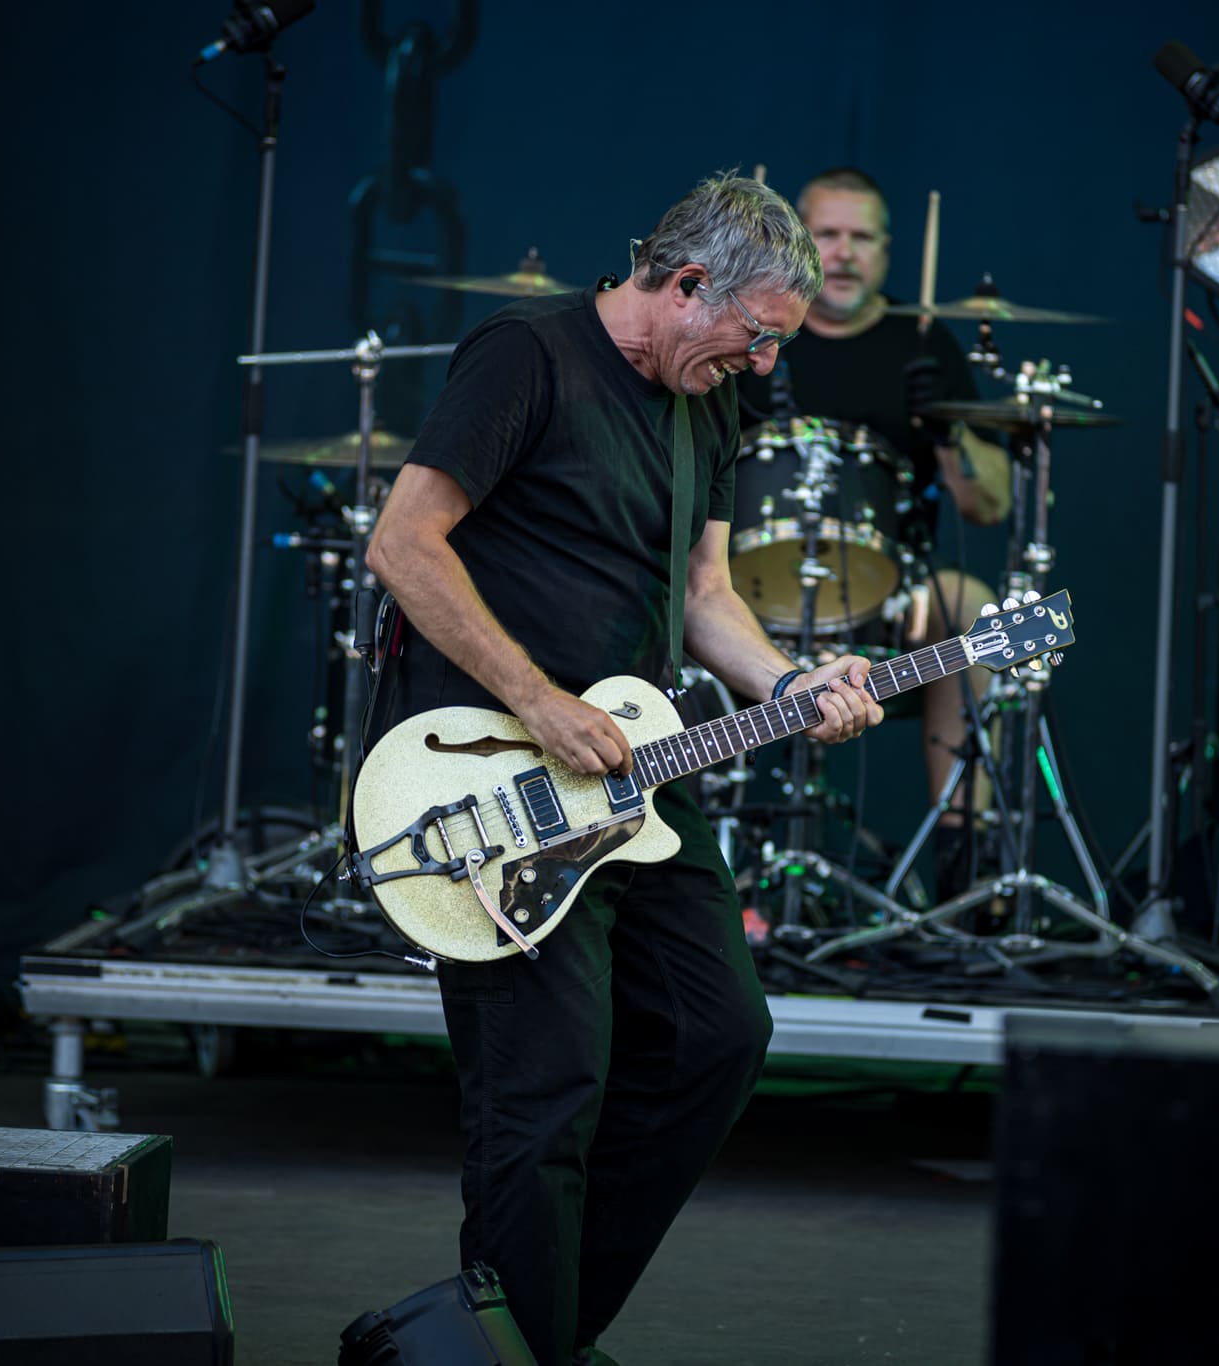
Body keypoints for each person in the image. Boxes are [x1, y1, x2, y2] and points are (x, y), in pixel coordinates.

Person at [362, 173, 884, 1366]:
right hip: (497, 780)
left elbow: (705, 595)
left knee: (717, 1033)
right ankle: (523, 1344)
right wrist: (536, 698)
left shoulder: (709, 401)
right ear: (686, 284)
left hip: (637, 768)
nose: (763, 362)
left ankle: (530, 1337)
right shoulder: (529, 355)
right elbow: (402, 543)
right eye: (756, 333)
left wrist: (789, 686)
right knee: (545, 1088)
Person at [734, 166, 1010, 889]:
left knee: (973, 608)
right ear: (797, 241)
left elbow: (989, 505)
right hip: (739, 588)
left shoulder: (922, 342)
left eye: (862, 237)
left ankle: (962, 863)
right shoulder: (756, 330)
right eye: (827, 234)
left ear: (888, 249)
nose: (845, 252)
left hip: (888, 598)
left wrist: (947, 428)